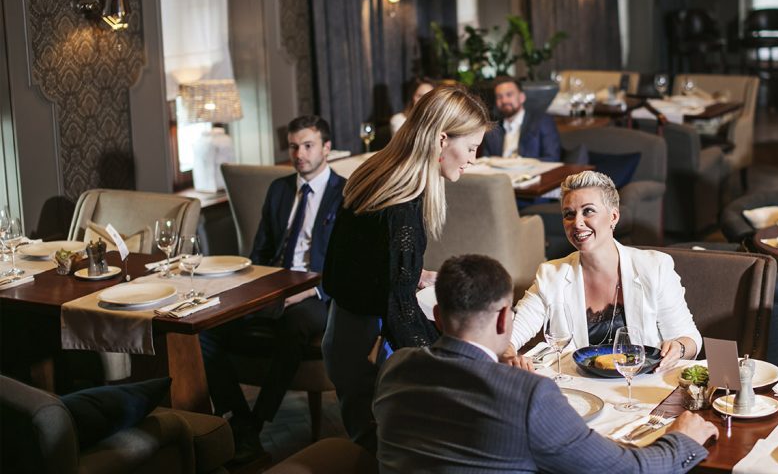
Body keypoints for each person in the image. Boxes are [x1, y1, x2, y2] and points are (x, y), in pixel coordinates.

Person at [374, 254, 718, 473]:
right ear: (504, 320)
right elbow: (626, 470)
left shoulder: (394, 368)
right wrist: (682, 440)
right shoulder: (529, 395)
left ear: (437, 316)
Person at [321, 85, 490, 450]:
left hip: (341, 337)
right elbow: (398, 312)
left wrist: (411, 275)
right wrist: (452, 360)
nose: (473, 159)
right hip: (368, 353)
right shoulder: (402, 207)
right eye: (471, 148)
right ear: (442, 139)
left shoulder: (378, 173)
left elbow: (344, 265)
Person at [200, 115, 344, 462]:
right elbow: (260, 252)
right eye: (293, 147)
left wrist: (310, 291)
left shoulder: (345, 193)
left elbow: (347, 263)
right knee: (205, 330)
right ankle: (240, 418)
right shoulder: (279, 189)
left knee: (293, 325)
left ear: (326, 148)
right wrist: (253, 290)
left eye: (308, 146)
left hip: (319, 293)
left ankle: (256, 423)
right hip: (273, 286)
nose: (299, 154)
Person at [508, 170, 701, 368]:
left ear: (613, 216)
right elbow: (513, 332)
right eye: (569, 214)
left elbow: (690, 339)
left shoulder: (655, 268)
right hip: (579, 384)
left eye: (588, 211)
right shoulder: (551, 274)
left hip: (643, 381)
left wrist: (679, 347)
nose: (577, 223)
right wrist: (509, 354)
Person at [481, 77, 561, 162]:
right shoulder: (492, 128)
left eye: (509, 95)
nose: (504, 100)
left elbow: (552, 158)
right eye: (499, 97)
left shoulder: (543, 121)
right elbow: (485, 160)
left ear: (522, 97)